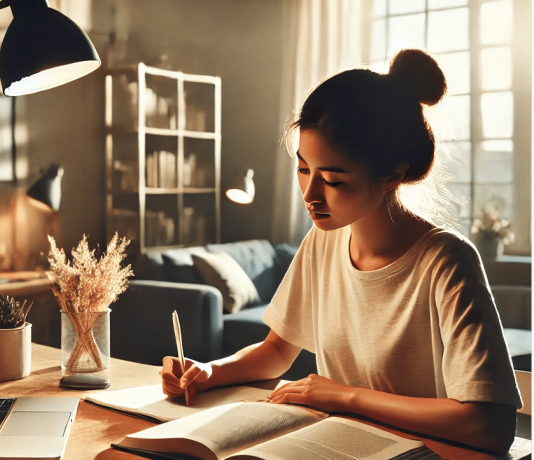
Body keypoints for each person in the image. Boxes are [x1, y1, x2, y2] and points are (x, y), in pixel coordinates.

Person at [160, 49, 522, 454]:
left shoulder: (446, 261)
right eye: (303, 169)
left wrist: (344, 396)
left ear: (392, 175)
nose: (310, 195)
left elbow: (488, 425)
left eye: (332, 179)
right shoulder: (324, 241)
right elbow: (277, 350)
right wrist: (208, 371)